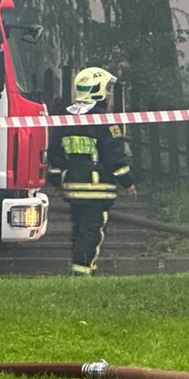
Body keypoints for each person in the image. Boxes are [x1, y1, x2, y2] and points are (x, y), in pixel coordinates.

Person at [46, 67, 135, 276]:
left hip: (73, 188)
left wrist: (56, 181)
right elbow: (115, 157)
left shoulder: (65, 119)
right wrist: (128, 182)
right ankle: (83, 272)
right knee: (92, 232)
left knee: (80, 229)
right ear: (97, 91)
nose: (110, 94)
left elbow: (56, 154)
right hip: (97, 188)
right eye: (108, 89)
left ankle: (83, 269)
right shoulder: (103, 121)